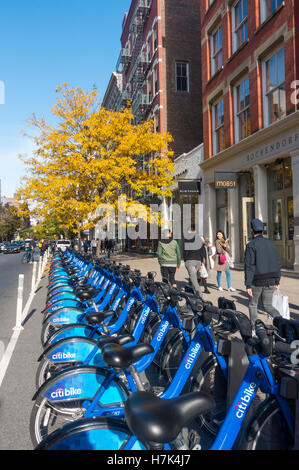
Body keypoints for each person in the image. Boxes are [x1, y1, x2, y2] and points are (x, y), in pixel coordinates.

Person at [244, 218, 282, 329]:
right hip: (271, 279)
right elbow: (277, 263)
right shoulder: (271, 244)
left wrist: (248, 284)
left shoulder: (251, 245)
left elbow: (249, 266)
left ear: (252, 230)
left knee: (253, 304)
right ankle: (282, 324)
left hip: (256, 281)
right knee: (268, 306)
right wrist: (277, 280)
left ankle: (255, 329)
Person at [183, 225, 203, 297]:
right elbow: (202, 251)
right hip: (198, 261)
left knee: (193, 278)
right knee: (193, 278)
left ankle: (200, 296)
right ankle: (193, 292)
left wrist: (185, 260)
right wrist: (201, 263)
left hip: (190, 260)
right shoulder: (200, 239)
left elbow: (185, 251)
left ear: (190, 231)